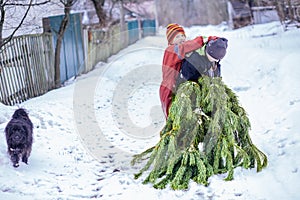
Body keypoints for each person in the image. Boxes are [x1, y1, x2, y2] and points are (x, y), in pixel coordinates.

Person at [159, 23, 218, 118]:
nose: (181, 38)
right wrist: (202, 39)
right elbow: (186, 47)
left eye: (183, 35)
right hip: (169, 88)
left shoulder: (181, 51)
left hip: (177, 84)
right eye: (177, 36)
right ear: (171, 40)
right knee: (173, 118)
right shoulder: (171, 50)